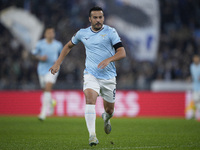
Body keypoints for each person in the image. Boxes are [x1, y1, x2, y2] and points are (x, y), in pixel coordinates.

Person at [50, 6, 126, 146]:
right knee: (90, 99)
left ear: (103, 18)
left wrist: (109, 59)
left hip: (109, 77)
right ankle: (92, 136)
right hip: (91, 74)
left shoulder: (111, 32)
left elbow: (122, 52)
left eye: (100, 17)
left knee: (109, 110)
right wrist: (57, 63)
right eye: (95, 18)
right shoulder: (82, 33)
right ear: (90, 19)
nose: (98, 20)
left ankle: (106, 118)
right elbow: (68, 46)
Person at [32, 26, 63, 121]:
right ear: (45, 34)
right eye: (49, 32)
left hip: (53, 69)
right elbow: (33, 55)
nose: (51, 34)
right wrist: (40, 58)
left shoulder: (58, 45)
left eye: (52, 32)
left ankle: (43, 113)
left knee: (47, 89)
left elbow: (62, 56)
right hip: (41, 70)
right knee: (45, 89)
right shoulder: (40, 44)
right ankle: (51, 102)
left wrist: (57, 63)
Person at [190, 55, 200, 121]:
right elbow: (193, 75)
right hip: (195, 87)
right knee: (196, 101)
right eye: (195, 59)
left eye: (197, 59)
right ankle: (198, 116)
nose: (196, 60)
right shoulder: (192, 66)